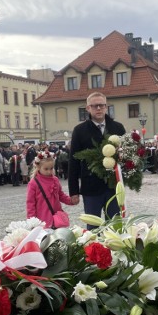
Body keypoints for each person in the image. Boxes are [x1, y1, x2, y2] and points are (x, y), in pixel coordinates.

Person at [68, 92, 125, 223]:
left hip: (113, 187)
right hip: (91, 187)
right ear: (88, 108)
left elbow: (125, 155)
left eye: (101, 105)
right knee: (93, 229)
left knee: (115, 226)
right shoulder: (79, 130)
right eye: (94, 106)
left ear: (106, 107)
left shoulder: (118, 128)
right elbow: (73, 162)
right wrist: (74, 191)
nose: (98, 108)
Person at [26, 151, 74, 229]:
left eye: (51, 168)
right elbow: (30, 204)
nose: (49, 171)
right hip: (42, 221)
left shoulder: (55, 180)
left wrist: (71, 201)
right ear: (38, 167)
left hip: (56, 219)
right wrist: (31, 221)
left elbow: (61, 195)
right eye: (46, 169)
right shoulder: (33, 183)